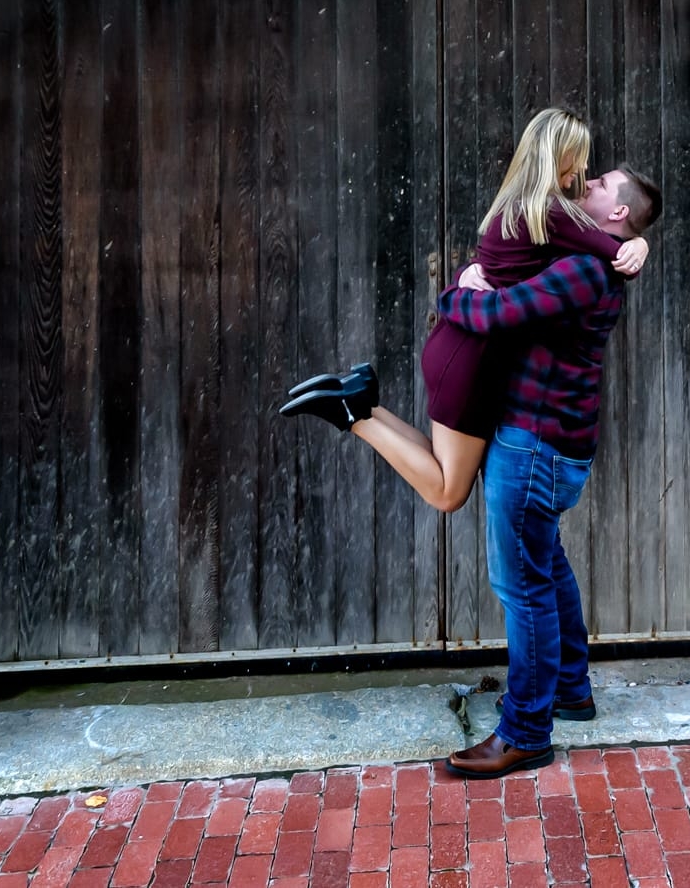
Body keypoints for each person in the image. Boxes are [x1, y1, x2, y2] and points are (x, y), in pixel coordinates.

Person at [279, 110, 649, 512]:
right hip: (473, 356)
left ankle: (361, 401)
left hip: (457, 342)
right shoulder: (554, 212)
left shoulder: (520, 202)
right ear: (558, 156)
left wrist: (457, 287)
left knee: (445, 467)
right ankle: (355, 414)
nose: (582, 172)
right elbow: (617, 256)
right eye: (578, 160)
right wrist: (641, 246)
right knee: (447, 492)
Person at [439, 166, 662, 779]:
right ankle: (570, 688)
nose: (584, 184)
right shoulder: (594, 257)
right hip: (558, 443)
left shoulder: (581, 270)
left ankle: (526, 732)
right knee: (546, 560)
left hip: (535, 446)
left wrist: (455, 294)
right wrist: (636, 245)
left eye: (598, 185)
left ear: (617, 213)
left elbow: (493, 315)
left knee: (523, 586)